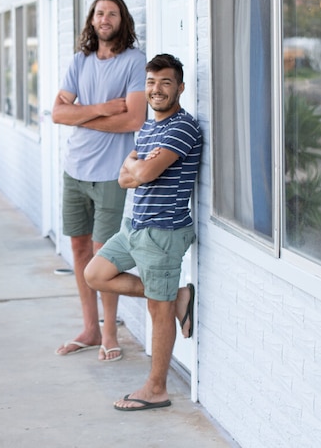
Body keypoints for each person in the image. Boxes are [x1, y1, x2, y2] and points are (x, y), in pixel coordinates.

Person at [84, 53, 201, 411]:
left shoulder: (183, 127)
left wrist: (136, 166)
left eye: (166, 82)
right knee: (96, 274)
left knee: (158, 311)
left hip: (164, 233)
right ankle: (177, 296)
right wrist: (136, 167)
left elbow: (143, 175)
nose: (157, 89)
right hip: (133, 227)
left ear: (180, 87)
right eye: (151, 82)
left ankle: (156, 388)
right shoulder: (149, 128)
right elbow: (123, 179)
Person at [51, 0, 147, 362]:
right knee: (78, 248)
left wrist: (83, 114)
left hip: (110, 174)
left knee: (103, 255)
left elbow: (134, 120)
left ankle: (110, 333)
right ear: (91, 20)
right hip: (74, 168)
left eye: (112, 14)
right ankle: (89, 329)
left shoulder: (134, 62)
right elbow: (57, 114)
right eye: (99, 13)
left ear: (122, 21)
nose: (105, 19)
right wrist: (105, 108)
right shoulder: (80, 61)